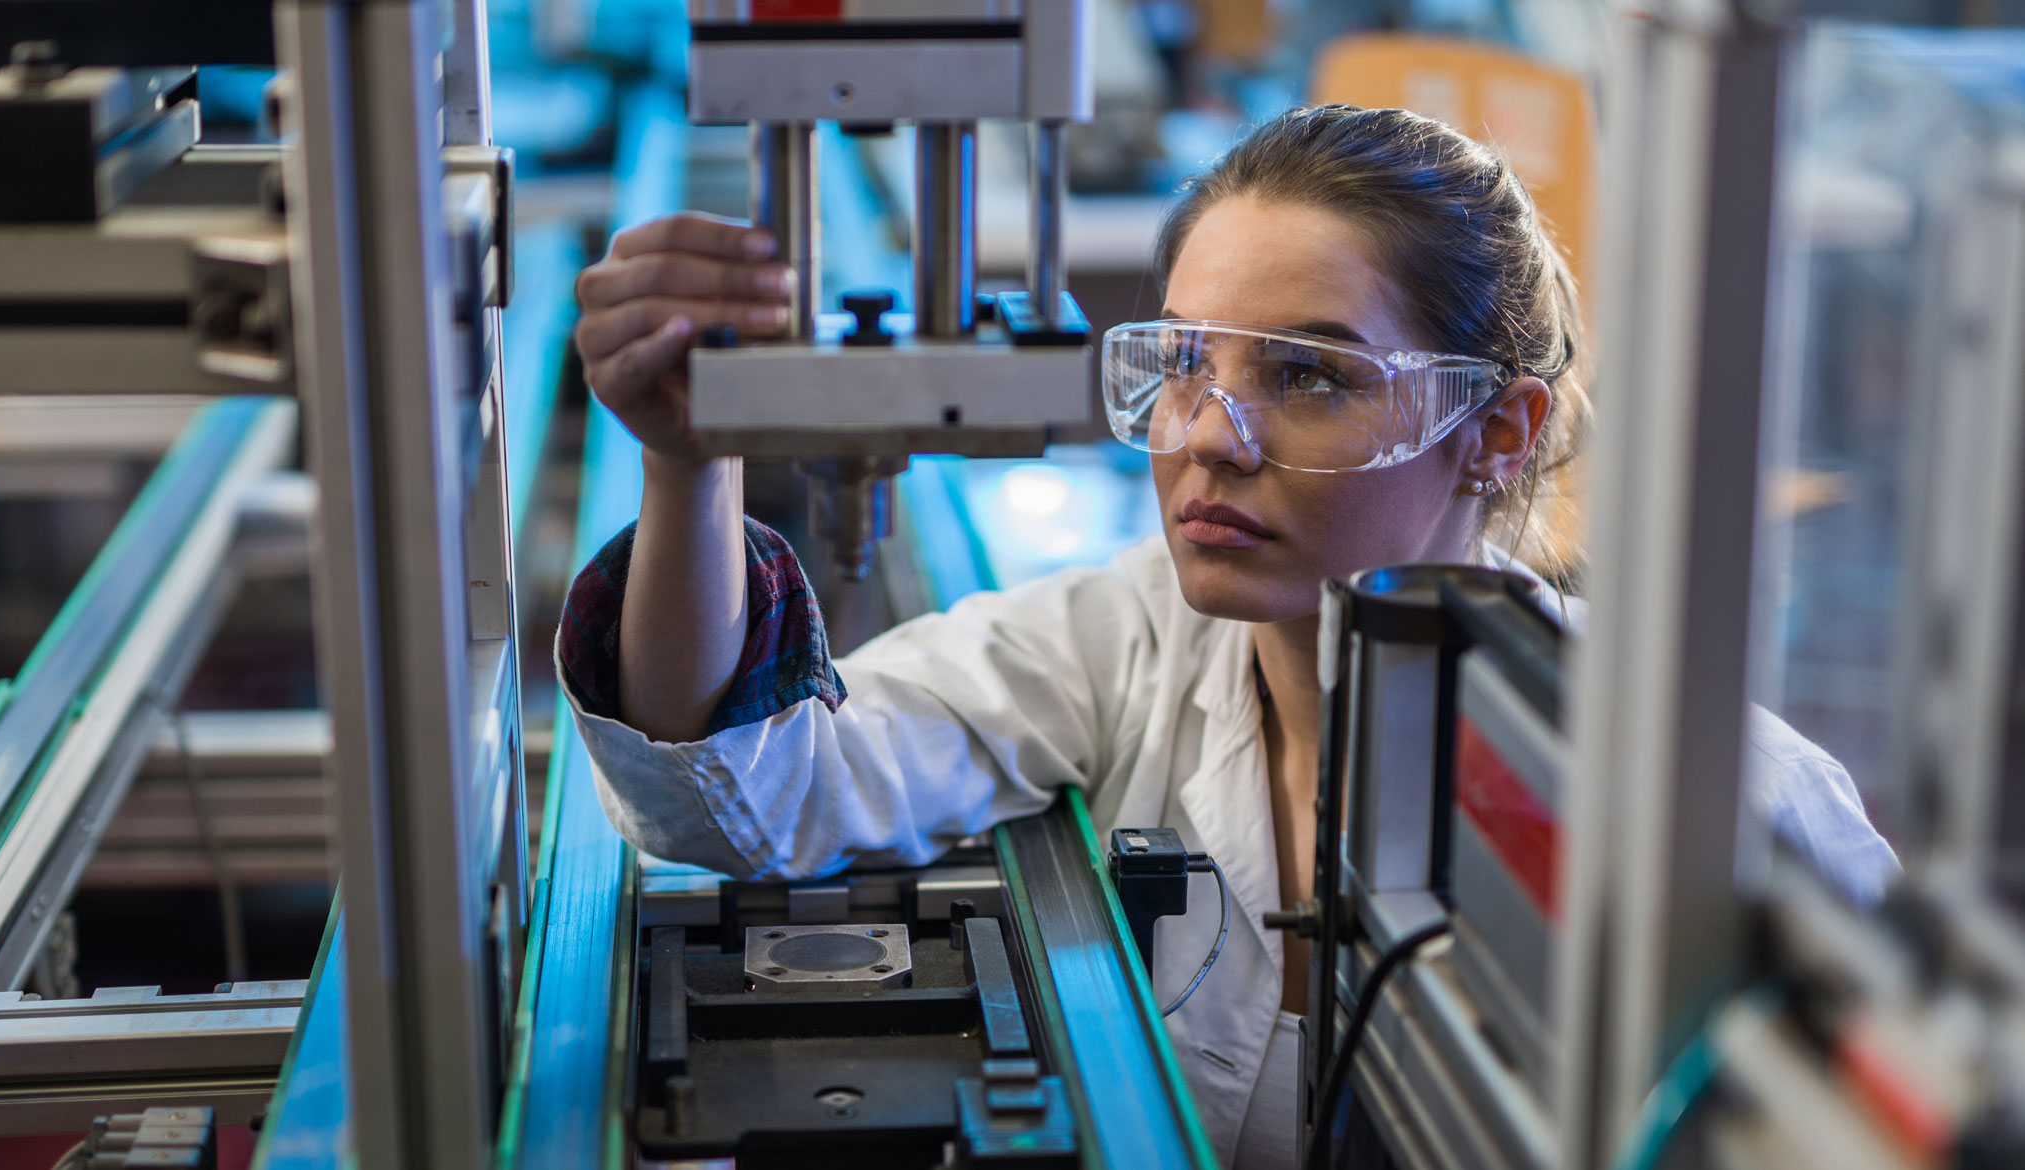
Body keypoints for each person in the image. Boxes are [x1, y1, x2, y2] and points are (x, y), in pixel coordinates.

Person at [557, 105, 1898, 1169]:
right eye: (1187, 361)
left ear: (1498, 431)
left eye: (1306, 375)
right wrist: (688, 468)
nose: (1206, 432)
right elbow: (749, 795)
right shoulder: (1125, 640)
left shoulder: (1738, 809)